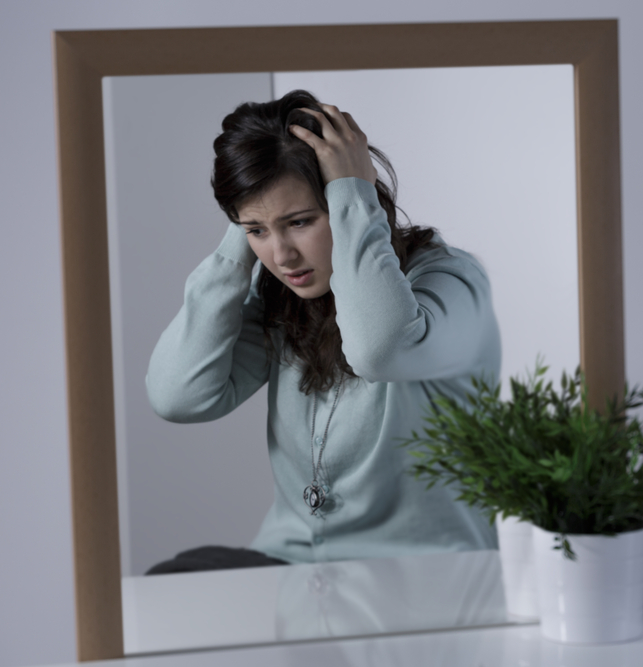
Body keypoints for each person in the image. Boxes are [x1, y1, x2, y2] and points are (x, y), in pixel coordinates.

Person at [146, 90, 500, 571]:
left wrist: (354, 189)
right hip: (295, 573)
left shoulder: (453, 284)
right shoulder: (284, 300)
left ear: (349, 198)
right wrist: (248, 223)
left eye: (300, 222)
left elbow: (381, 350)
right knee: (171, 584)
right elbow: (178, 396)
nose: (282, 256)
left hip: (422, 582)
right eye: (257, 232)